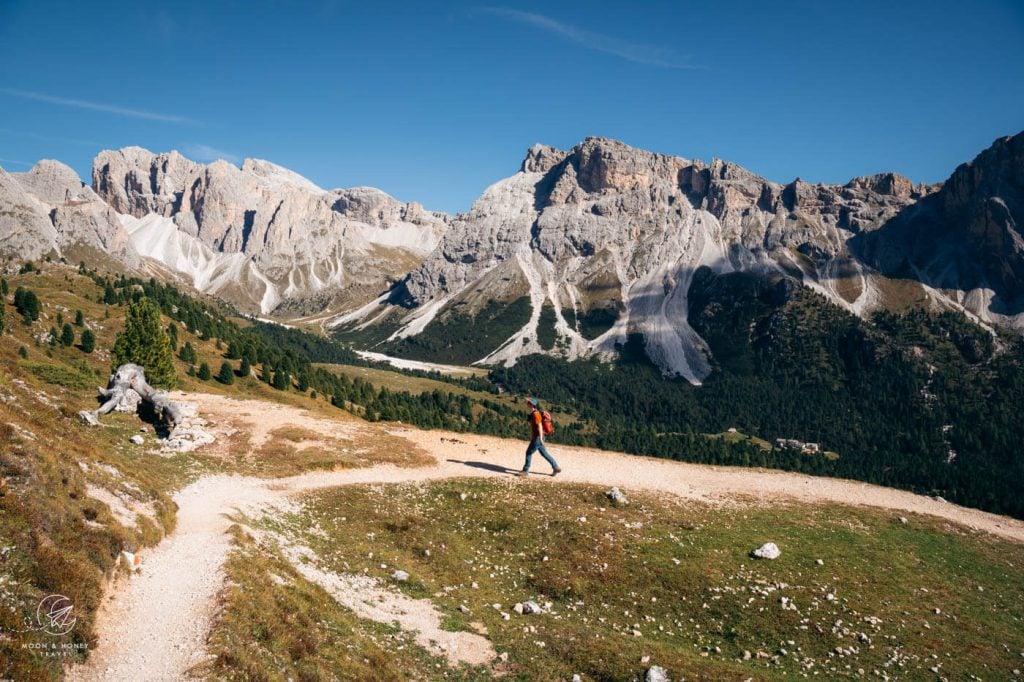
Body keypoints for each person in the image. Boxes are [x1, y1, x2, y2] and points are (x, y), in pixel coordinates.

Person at [518, 397, 561, 476]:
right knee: (544, 453)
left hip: (538, 438)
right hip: (538, 437)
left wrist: (540, 438)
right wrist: (527, 399)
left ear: (532, 405)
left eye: (529, 403)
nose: (527, 404)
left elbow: (540, 426)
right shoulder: (534, 413)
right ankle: (555, 467)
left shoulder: (536, 414)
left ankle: (525, 470)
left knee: (528, 452)